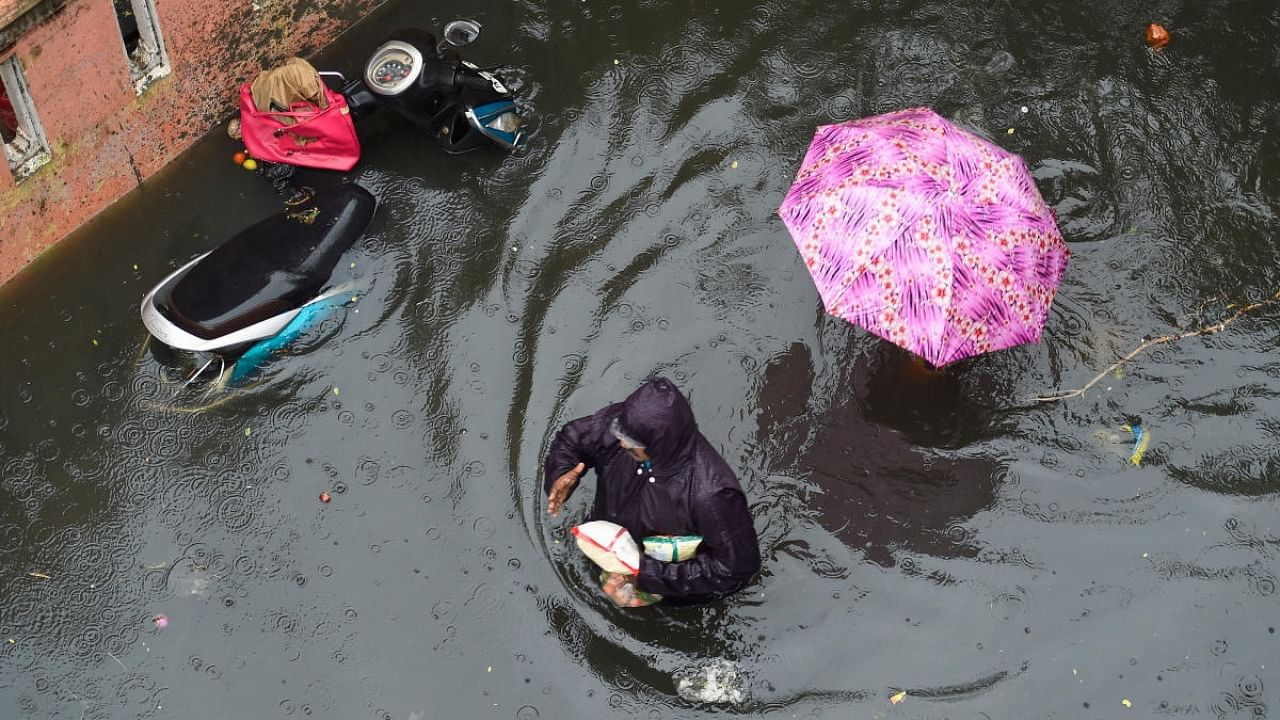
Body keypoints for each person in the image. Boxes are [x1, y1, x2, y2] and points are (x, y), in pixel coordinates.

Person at [544, 376, 761, 604]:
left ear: (659, 444)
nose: (624, 444)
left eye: (633, 442)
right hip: (613, 545)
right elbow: (572, 438)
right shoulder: (625, 426)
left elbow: (736, 568)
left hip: (668, 584)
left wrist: (646, 575)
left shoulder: (712, 495)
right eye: (623, 436)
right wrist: (561, 472)